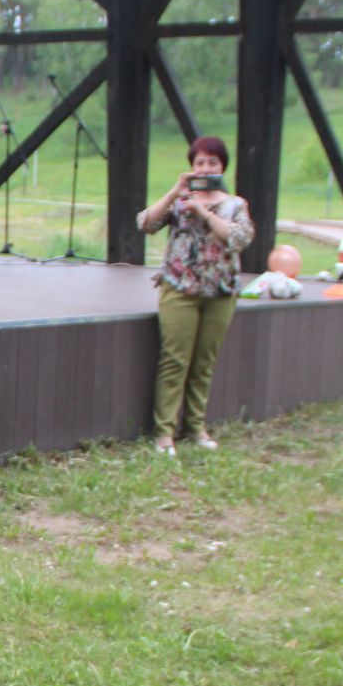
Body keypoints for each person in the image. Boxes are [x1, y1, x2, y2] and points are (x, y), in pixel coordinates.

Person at [138, 135, 254, 456]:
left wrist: (205, 213)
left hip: (220, 291)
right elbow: (146, 223)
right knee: (175, 360)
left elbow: (239, 238)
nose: (205, 168)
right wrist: (175, 193)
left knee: (204, 362)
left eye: (212, 162)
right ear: (191, 167)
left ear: (222, 166)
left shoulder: (235, 205)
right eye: (199, 162)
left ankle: (195, 427)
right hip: (180, 288)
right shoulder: (179, 202)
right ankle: (164, 433)